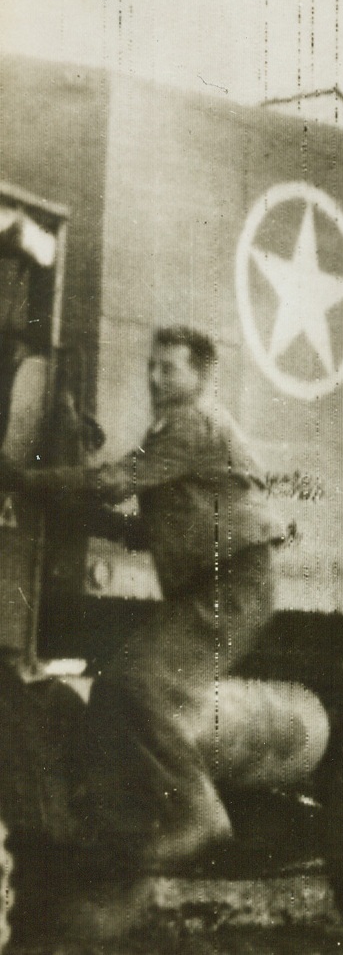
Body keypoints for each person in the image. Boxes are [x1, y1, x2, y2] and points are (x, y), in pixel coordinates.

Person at [9, 325, 284, 869]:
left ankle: (199, 814)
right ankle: (130, 821)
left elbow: (113, 482)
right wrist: (84, 514)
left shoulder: (192, 423)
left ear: (199, 376)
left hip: (234, 584)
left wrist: (23, 480)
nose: (155, 378)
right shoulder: (181, 429)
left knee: (142, 687)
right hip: (215, 584)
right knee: (116, 688)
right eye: (151, 367)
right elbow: (153, 529)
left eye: (169, 368)